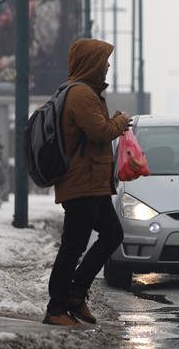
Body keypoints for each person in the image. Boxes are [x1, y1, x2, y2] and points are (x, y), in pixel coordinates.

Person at [44, 39, 131, 326]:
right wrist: (120, 121)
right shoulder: (81, 94)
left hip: (92, 182)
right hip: (82, 183)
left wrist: (113, 122)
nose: (107, 66)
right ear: (91, 63)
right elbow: (100, 132)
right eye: (104, 61)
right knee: (73, 245)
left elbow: (95, 130)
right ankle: (56, 308)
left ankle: (75, 294)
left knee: (111, 234)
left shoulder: (85, 92)